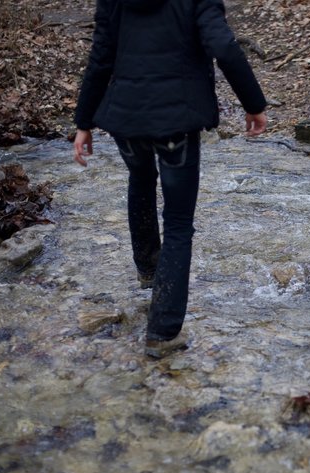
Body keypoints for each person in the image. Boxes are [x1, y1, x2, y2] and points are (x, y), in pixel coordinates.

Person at [73, 0, 267, 357]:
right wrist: (253, 104)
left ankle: (149, 270)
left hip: (126, 116)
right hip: (176, 119)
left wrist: (83, 122)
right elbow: (223, 46)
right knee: (178, 220)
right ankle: (162, 332)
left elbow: (101, 55)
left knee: (141, 179)